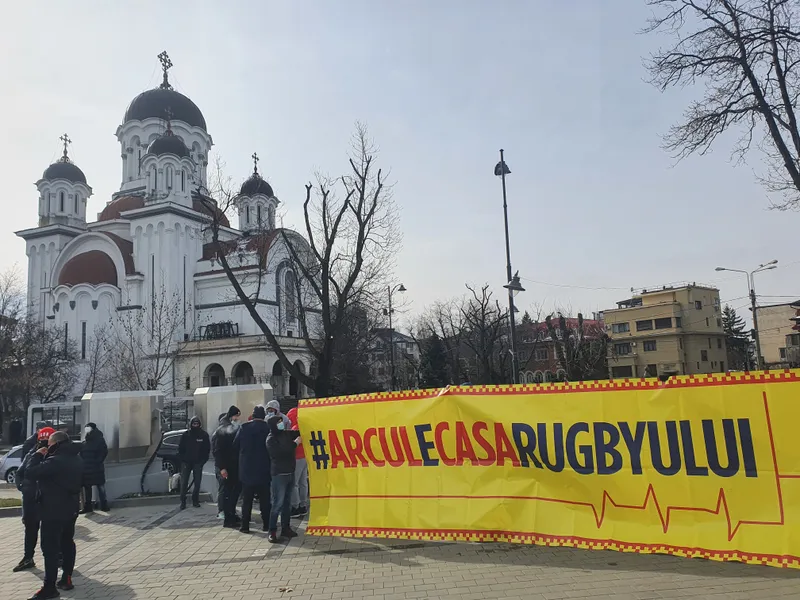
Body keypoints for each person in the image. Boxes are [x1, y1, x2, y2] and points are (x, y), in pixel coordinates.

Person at [24, 430, 83, 600]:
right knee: (67, 543)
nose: (47, 447)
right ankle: (67, 578)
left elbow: (30, 472)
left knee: (49, 549)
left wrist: (36, 455)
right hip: (71, 509)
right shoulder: (77, 458)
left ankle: (49, 587)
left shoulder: (55, 461)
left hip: (52, 511)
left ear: (56, 444)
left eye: (49, 444)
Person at [12, 427, 55, 573]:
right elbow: (20, 472)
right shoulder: (32, 453)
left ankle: (59, 558)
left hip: (48, 500)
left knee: (52, 532)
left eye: (46, 441)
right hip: (30, 499)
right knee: (30, 529)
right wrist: (22, 486)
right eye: (41, 440)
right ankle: (28, 558)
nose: (43, 444)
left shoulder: (55, 456)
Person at [234, 405, 271, 534]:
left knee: (247, 500)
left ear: (253, 415)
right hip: (264, 469)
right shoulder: (268, 428)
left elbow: (235, 445)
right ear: (264, 416)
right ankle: (267, 524)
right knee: (265, 499)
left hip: (247, 470)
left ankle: (245, 526)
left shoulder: (244, 428)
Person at [265, 415, 301, 543]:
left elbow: (298, 432)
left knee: (287, 503)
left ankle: (286, 528)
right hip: (279, 475)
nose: (281, 424)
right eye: (278, 422)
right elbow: (282, 452)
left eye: (281, 422)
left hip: (290, 472)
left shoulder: (285, 434)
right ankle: (272, 530)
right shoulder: (270, 439)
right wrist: (295, 443)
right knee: (277, 504)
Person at [213, 409, 242, 528]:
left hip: (233, 466)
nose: (237, 419)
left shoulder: (230, 429)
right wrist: (222, 468)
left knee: (233, 492)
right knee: (227, 493)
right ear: (231, 417)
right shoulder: (222, 431)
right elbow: (217, 451)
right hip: (226, 468)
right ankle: (228, 518)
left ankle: (231, 514)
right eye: (236, 416)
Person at [178, 416, 211, 510]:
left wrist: (202, 461)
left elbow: (207, 449)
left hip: (198, 462)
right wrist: (183, 459)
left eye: (197, 424)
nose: (195, 425)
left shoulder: (204, 435)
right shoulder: (186, 435)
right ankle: (183, 502)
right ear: (191, 424)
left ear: (199, 425)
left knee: (197, 483)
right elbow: (180, 449)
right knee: (184, 482)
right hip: (186, 462)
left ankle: (195, 500)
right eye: (194, 424)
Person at [79, 423, 109, 513]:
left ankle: (104, 505)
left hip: (96, 467)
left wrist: (98, 461)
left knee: (100, 486)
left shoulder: (99, 440)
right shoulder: (85, 441)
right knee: (88, 488)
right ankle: (88, 506)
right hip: (87, 467)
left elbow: (104, 452)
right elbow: (82, 454)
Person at [286, 407, 308, 517]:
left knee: (294, 483)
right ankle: (303, 505)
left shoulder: (294, 428)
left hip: (296, 457)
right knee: (303, 482)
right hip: (305, 456)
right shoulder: (305, 426)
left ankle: (295, 506)